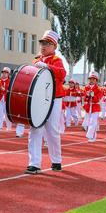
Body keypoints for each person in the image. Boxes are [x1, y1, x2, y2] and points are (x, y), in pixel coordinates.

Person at [25, 30, 66, 174]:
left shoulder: (56, 60)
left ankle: (56, 160)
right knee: (35, 129)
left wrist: (47, 66)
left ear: (54, 47)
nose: (43, 46)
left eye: (48, 43)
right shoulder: (36, 61)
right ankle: (34, 163)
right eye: (42, 43)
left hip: (54, 98)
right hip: (39, 99)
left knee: (52, 131)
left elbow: (62, 74)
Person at [83, 72, 103, 142]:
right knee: (88, 121)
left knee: (93, 121)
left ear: (96, 80)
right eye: (90, 79)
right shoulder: (86, 87)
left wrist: (92, 95)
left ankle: (91, 136)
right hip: (89, 106)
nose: (91, 80)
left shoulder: (99, 89)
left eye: (93, 79)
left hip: (95, 106)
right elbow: (84, 98)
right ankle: (92, 136)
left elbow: (98, 98)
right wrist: (87, 96)